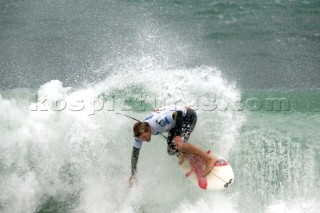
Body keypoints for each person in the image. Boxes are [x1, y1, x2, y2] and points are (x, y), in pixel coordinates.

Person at [128, 105, 217, 186]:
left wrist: (178, 135)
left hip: (187, 116)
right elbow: (135, 154)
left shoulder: (159, 122)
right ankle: (187, 153)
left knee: (179, 144)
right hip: (174, 124)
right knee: (171, 151)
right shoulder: (140, 132)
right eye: (142, 138)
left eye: (144, 137)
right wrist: (133, 175)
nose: (144, 139)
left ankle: (209, 159)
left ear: (148, 129)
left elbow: (179, 114)